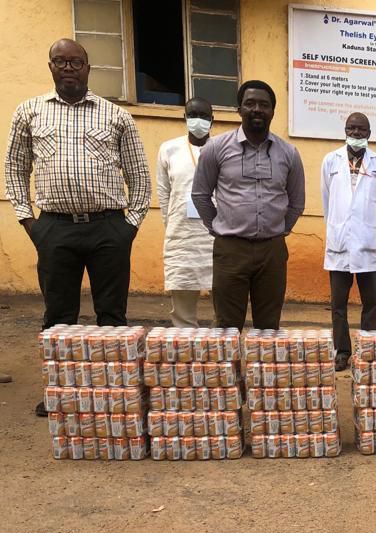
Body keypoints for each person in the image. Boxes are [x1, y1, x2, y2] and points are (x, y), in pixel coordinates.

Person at [5, 38, 151, 416]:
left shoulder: (116, 115)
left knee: (112, 316)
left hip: (108, 229)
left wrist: (129, 225)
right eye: (60, 61)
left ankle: (114, 392)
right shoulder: (29, 112)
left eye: (75, 62)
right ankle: (61, 394)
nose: (68, 68)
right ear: (50, 67)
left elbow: (138, 174)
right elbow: (15, 169)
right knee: (58, 316)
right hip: (55, 229)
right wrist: (29, 220)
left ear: (88, 67)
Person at [192, 80, 306, 331]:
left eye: (264, 105)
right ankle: (229, 361)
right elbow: (200, 194)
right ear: (239, 109)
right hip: (230, 250)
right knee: (227, 327)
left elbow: (297, 202)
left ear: (273, 111)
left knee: (269, 328)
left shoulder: (289, 153)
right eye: (250, 103)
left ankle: (263, 361)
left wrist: (280, 230)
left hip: (272, 251)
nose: (257, 109)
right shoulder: (216, 148)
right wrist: (218, 228)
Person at [321, 112, 376, 371]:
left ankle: (367, 350)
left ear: (369, 133)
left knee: (370, 303)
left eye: (361, 129)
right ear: (345, 130)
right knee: (338, 305)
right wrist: (340, 224)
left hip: (367, 244)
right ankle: (342, 352)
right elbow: (327, 200)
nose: (356, 133)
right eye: (351, 128)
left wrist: (367, 222)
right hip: (339, 244)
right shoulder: (331, 161)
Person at [156, 97, 215, 328]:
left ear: (212, 120)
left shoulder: (222, 148)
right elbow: (164, 193)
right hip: (182, 238)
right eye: (193, 115)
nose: (198, 121)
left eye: (204, 116)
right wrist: (171, 224)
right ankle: (185, 345)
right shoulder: (169, 149)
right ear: (185, 118)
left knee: (225, 302)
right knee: (182, 305)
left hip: (216, 237)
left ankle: (221, 345)